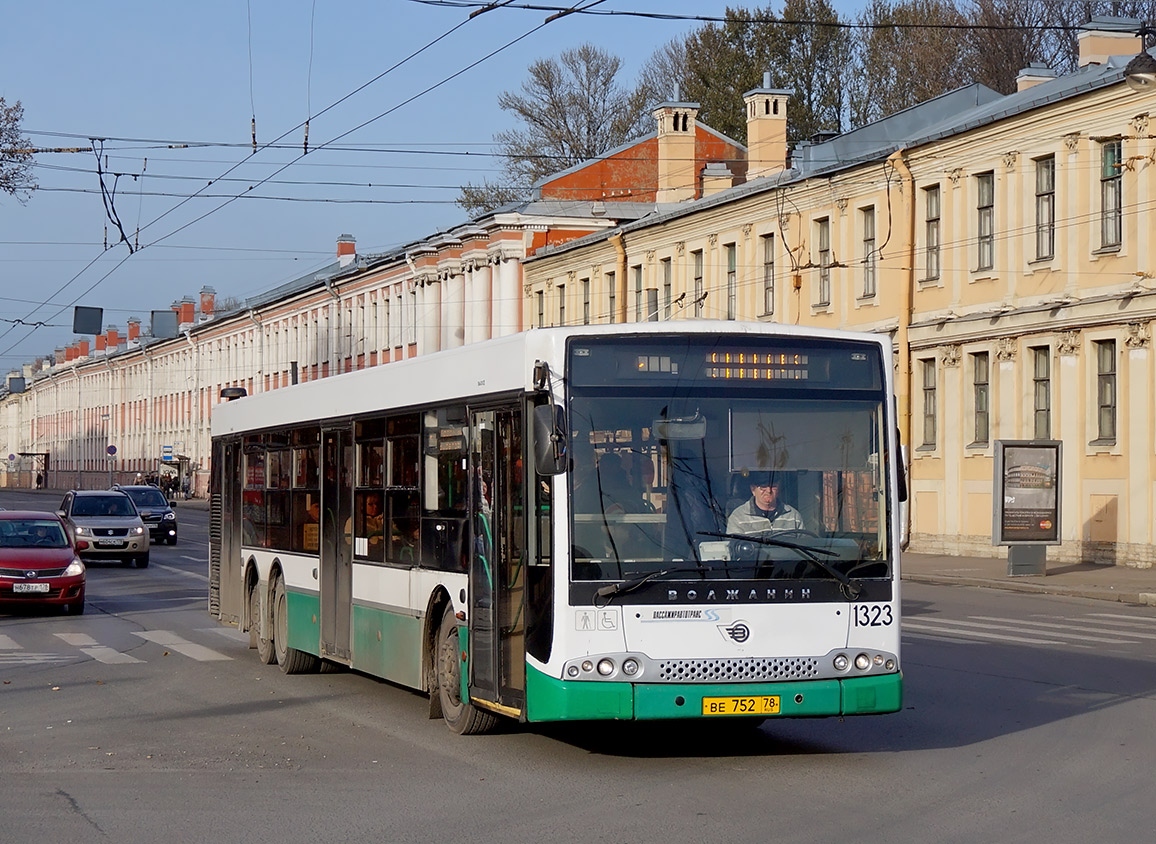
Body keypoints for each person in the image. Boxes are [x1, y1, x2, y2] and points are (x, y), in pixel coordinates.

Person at [726, 473, 806, 536]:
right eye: (763, 487)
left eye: (773, 486)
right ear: (753, 490)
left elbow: (804, 547)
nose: (769, 491)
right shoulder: (738, 518)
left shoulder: (794, 516)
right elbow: (734, 550)